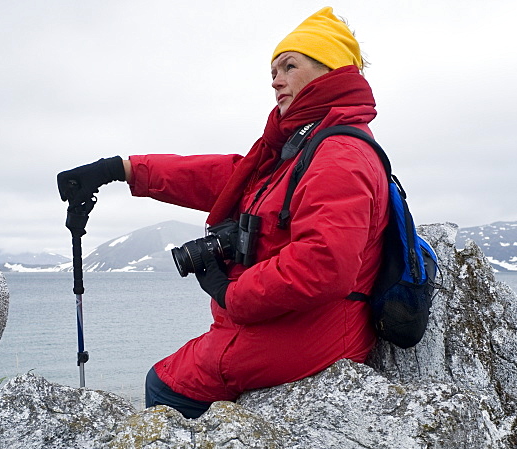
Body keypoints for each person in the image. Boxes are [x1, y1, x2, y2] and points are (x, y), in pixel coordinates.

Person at [57, 7, 387, 419]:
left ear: (328, 72)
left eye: (289, 66)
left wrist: (232, 294)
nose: (276, 80)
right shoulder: (300, 148)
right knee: (175, 373)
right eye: (273, 71)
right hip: (291, 319)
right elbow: (227, 178)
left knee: (165, 384)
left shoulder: (339, 155)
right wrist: (121, 169)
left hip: (316, 330)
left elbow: (323, 265)